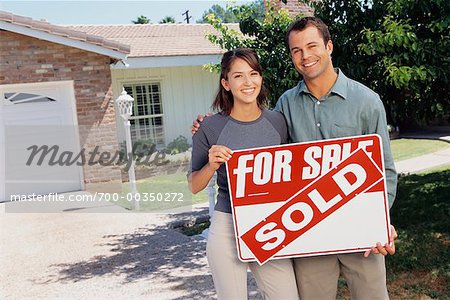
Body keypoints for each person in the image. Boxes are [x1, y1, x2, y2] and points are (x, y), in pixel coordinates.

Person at [192, 17, 398, 299]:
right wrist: (209, 127)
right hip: (308, 231)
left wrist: (379, 220)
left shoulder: (367, 101)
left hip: (359, 229)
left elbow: (384, 170)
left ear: (329, 46)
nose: (305, 56)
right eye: (296, 50)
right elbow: (264, 142)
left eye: (312, 46)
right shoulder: (285, 106)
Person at [188, 48, 299, 300]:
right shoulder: (209, 126)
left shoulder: (278, 122)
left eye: (253, 74)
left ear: (261, 78)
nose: (248, 82)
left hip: (271, 224)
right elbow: (194, 185)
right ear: (226, 83)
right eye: (238, 76)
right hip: (227, 224)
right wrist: (211, 164)